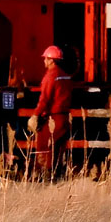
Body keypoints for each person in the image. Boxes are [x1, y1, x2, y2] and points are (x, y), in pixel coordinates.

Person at [32, 45, 73, 177]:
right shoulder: (65, 76)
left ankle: (45, 176)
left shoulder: (50, 76)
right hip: (65, 117)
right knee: (59, 149)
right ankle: (57, 174)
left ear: (51, 60)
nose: (44, 61)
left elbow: (45, 99)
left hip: (52, 118)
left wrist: (35, 115)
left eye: (46, 59)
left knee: (44, 148)